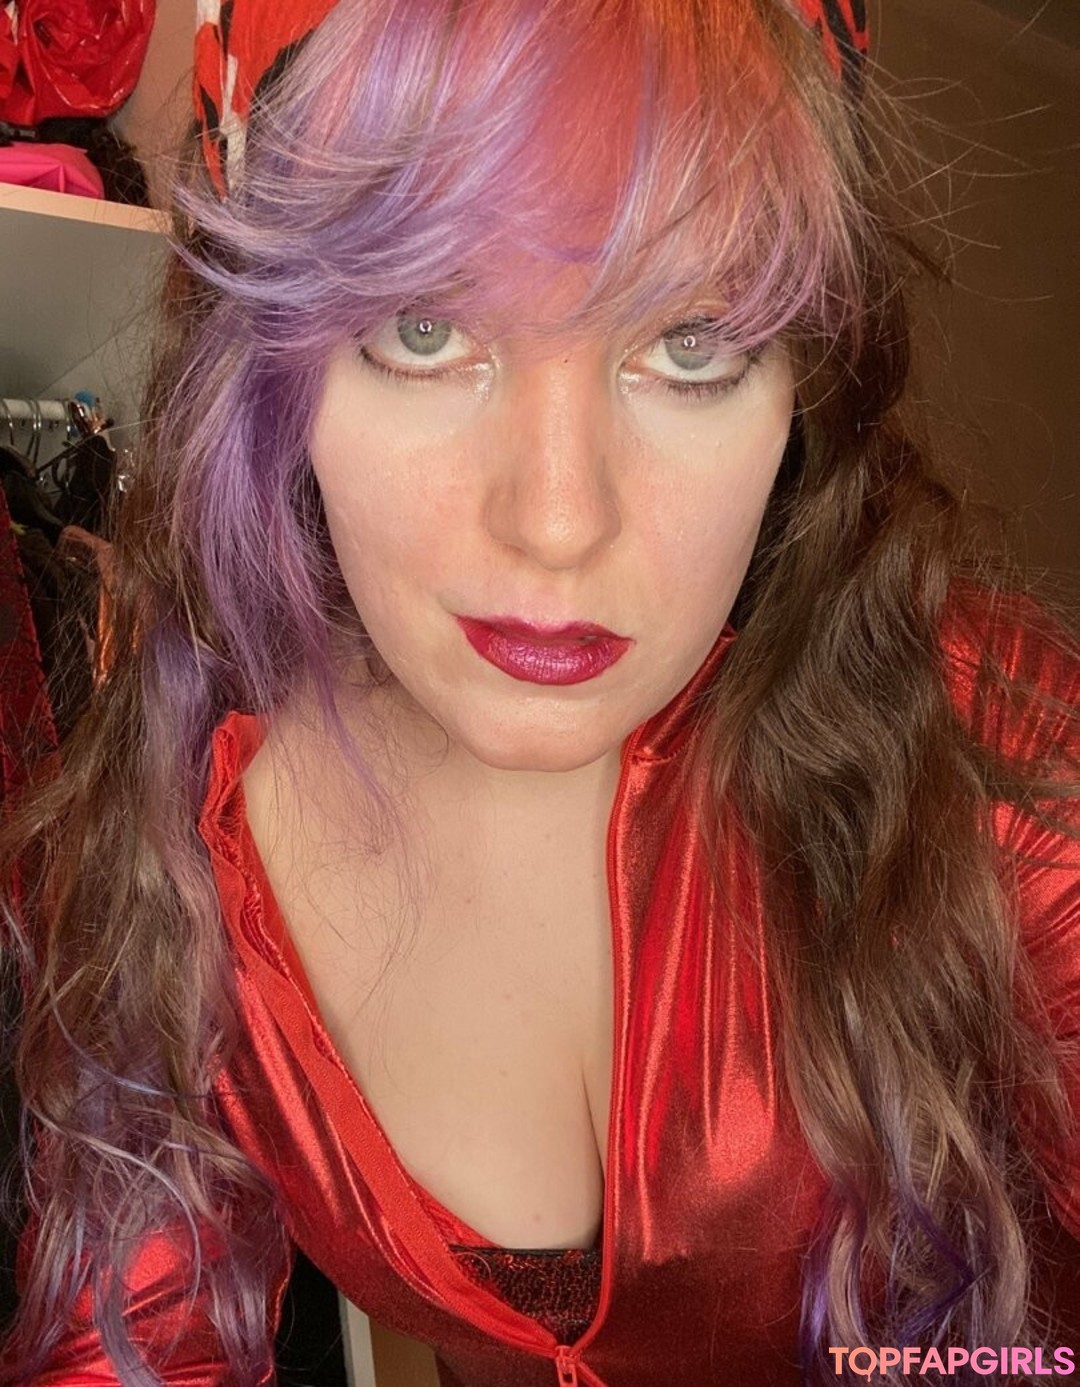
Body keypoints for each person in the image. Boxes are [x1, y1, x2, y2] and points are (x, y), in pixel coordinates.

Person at [1, 0, 1078, 1383]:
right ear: (270, 368)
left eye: (692, 342)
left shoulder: (986, 749)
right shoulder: (166, 863)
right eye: (423, 327)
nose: (559, 524)